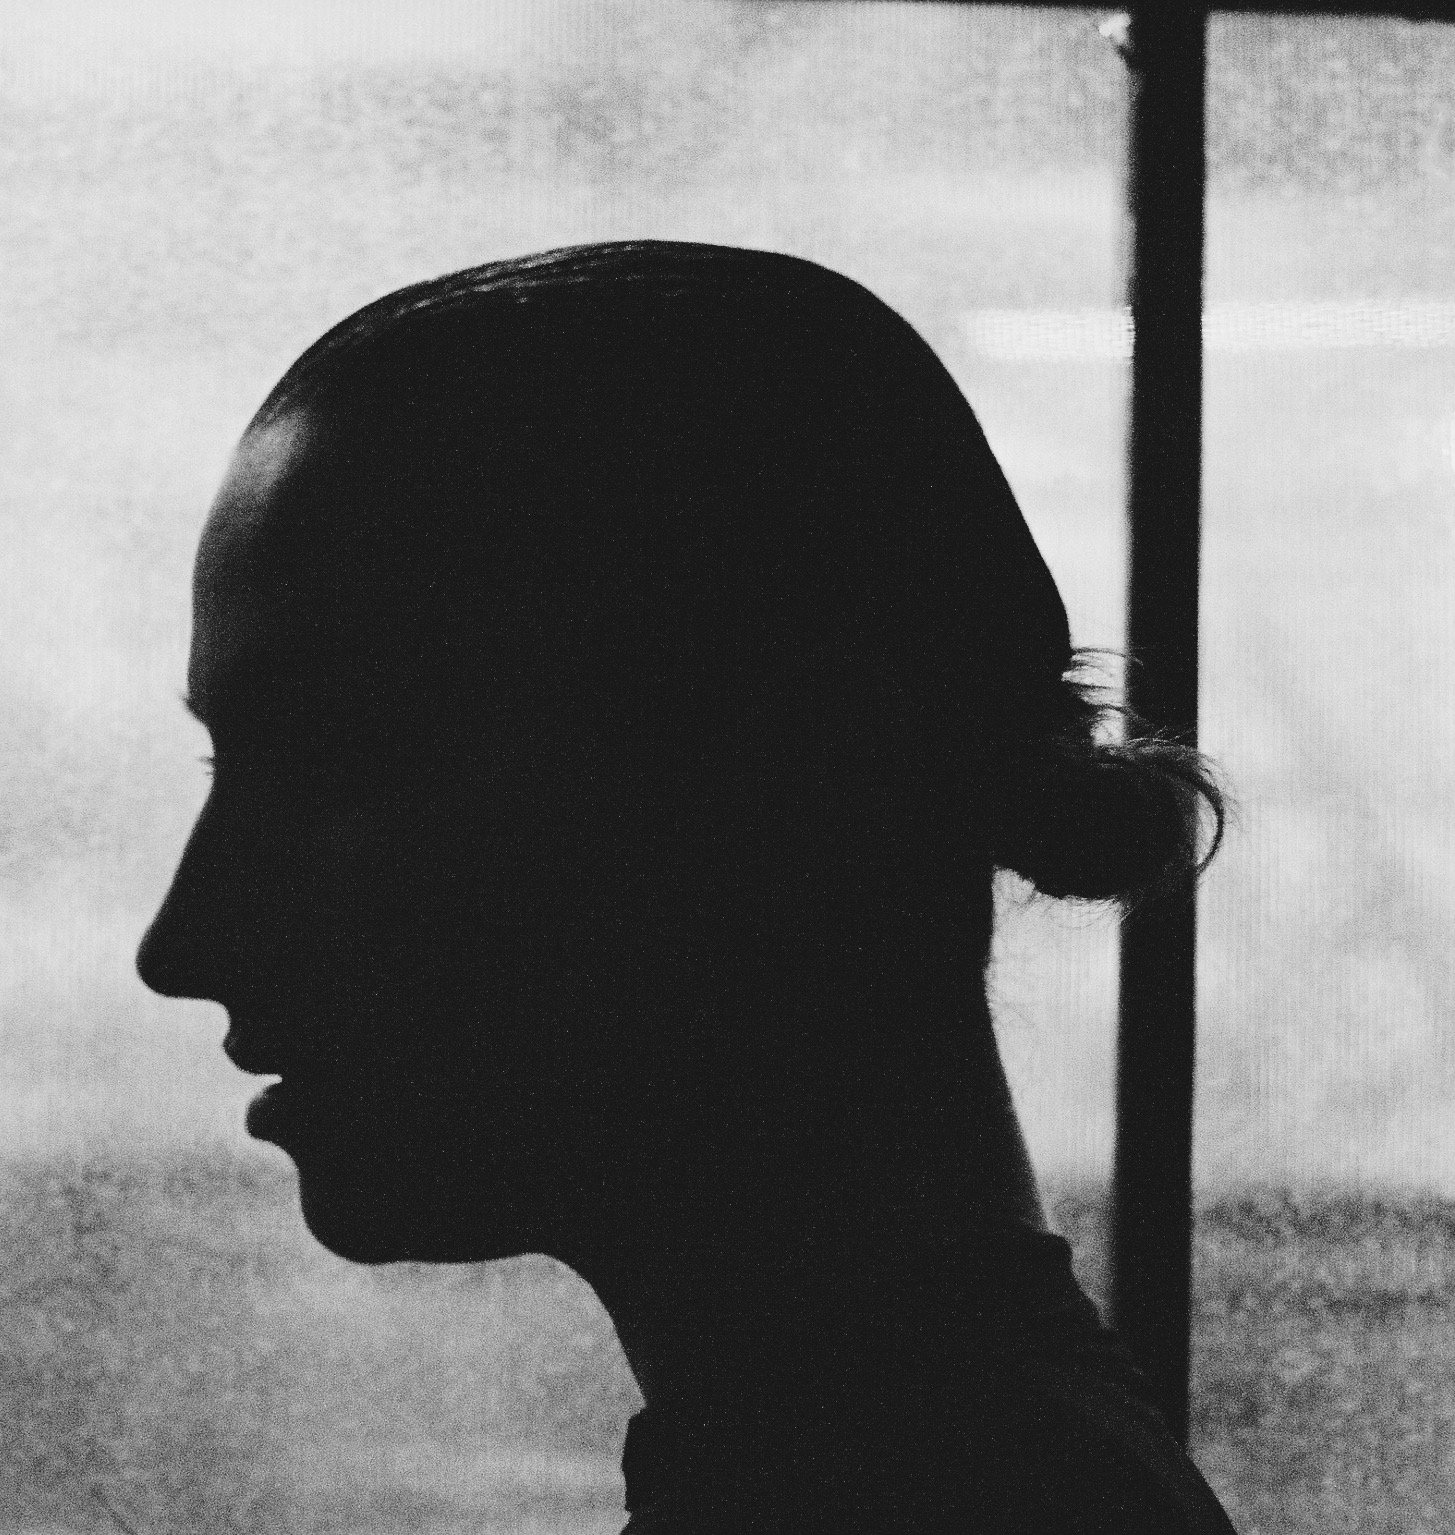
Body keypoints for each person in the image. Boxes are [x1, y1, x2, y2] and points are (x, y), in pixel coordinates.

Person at [135, 241, 1238, 1533]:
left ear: (767, 781)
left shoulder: (900, 1494)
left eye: (343, 764)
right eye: (233, 764)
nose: (184, 943)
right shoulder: (982, 1455)